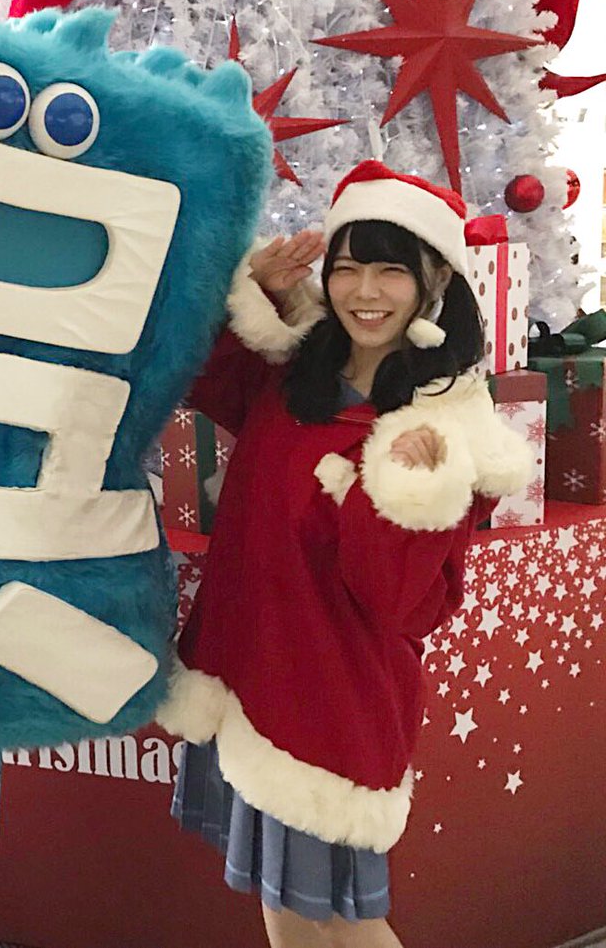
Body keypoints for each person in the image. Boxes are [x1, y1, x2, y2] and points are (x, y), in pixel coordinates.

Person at [157, 161, 533, 948]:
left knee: (341, 925)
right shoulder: (298, 374)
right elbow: (201, 371)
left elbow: (403, 603)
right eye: (348, 266)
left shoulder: (438, 425)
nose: (365, 291)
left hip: (329, 705)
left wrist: (410, 496)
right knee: (285, 907)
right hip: (249, 673)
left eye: (391, 270)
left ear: (434, 281)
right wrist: (256, 295)